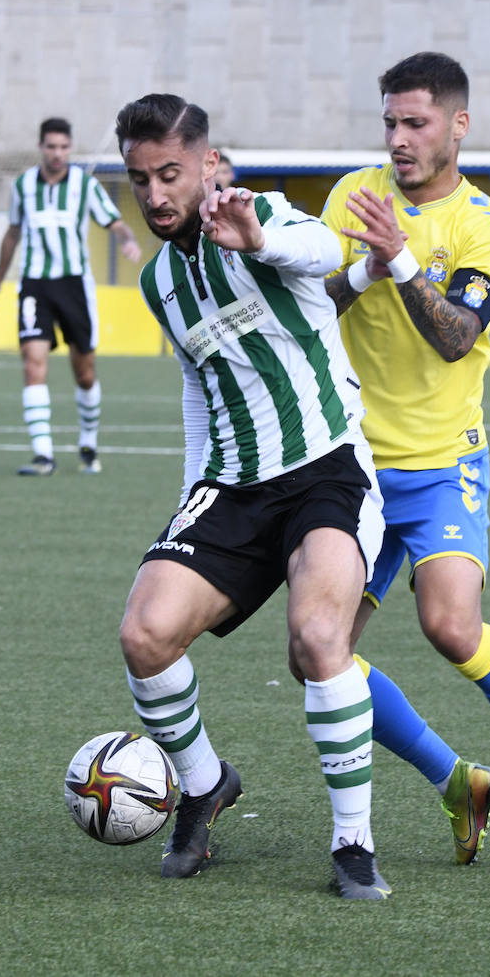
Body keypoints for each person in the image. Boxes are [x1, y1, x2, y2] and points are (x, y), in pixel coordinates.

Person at [114, 92, 390, 900]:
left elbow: (323, 246)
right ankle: (202, 785)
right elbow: (200, 389)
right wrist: (190, 501)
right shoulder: (160, 279)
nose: (158, 194)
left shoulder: (261, 215)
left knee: (315, 638)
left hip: (324, 472)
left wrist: (257, 236)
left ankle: (352, 844)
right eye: (141, 180)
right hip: (229, 487)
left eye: (171, 173)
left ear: (206, 162)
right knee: (144, 634)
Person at [321, 52, 490, 847]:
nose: (399, 139)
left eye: (416, 123)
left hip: (442, 464)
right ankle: (454, 779)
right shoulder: (352, 196)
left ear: (457, 126)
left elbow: (455, 337)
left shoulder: (483, 223)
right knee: (319, 656)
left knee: (451, 629)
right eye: (390, 123)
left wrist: (399, 261)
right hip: (354, 469)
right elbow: (316, 300)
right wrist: (364, 273)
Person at [0, 117, 141, 476]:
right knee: (32, 361)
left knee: (84, 373)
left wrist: (127, 239)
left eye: (63, 147)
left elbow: (113, 221)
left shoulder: (84, 186)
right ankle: (43, 455)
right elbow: (12, 234)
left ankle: (88, 441)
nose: (57, 153)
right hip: (34, 284)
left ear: (70, 148)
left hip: (74, 284)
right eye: (51, 146)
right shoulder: (23, 185)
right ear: (41, 147)